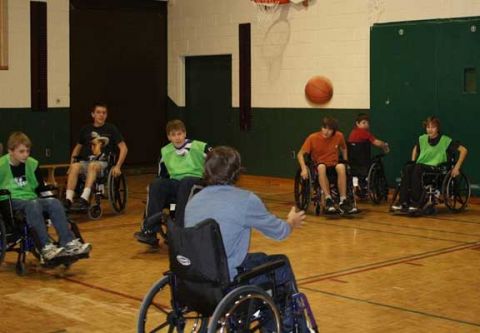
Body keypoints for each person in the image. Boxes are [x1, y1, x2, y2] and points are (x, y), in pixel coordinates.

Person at [184, 146, 307, 331]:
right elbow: (279, 232)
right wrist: (291, 222)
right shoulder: (245, 200)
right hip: (226, 277)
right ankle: (294, 327)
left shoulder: (194, 200)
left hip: (195, 276)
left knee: (260, 258)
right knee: (281, 264)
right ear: (236, 172)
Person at [0, 132, 91, 261]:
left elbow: (40, 188)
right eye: (21, 151)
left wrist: (51, 199)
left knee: (53, 202)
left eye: (27, 151)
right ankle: (45, 246)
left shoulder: (32, 164)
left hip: (31, 199)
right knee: (33, 204)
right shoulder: (1, 165)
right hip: (10, 201)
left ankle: (68, 242)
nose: (25, 154)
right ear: (10, 151)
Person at [134, 119, 210, 246]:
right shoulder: (165, 151)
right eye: (173, 135)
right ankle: (150, 230)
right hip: (177, 184)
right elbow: (162, 175)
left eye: (179, 134)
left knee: (186, 182)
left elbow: (218, 161)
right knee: (156, 185)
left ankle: (178, 229)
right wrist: (154, 187)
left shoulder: (200, 147)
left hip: (197, 183)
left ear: (185, 134)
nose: (177, 138)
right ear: (169, 137)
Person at [391, 116, 468, 212]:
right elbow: (415, 148)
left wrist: (457, 167)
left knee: (417, 168)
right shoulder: (422, 139)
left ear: (438, 128)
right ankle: (402, 202)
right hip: (421, 166)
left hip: (436, 168)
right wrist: (413, 160)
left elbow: (464, 150)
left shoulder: (445, 140)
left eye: (433, 127)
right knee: (408, 167)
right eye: (428, 127)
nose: (430, 130)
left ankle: (416, 202)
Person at [64, 102, 128, 211]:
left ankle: (84, 198)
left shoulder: (111, 129)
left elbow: (124, 148)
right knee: (75, 167)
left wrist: (118, 166)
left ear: (106, 115)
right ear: (93, 114)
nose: (101, 115)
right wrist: (71, 163)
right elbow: (77, 149)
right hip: (86, 162)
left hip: (103, 164)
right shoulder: (85, 129)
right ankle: (68, 200)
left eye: (104, 113)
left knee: (92, 165)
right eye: (98, 112)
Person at [297, 116, 354, 213]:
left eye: (330, 129)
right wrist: (303, 169)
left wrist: (346, 161)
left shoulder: (339, 136)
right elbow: (300, 154)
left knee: (341, 167)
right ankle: (328, 199)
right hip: (319, 165)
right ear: (321, 128)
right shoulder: (313, 137)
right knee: (321, 167)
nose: (326, 131)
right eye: (324, 128)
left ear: (334, 131)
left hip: (333, 164)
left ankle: (343, 200)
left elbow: (344, 148)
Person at [348, 113, 389, 191]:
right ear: (357, 123)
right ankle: (365, 183)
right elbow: (376, 142)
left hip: (353, 162)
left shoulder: (352, 133)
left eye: (367, 123)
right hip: (364, 162)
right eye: (363, 123)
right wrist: (385, 145)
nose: (366, 125)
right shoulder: (364, 133)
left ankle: (359, 183)